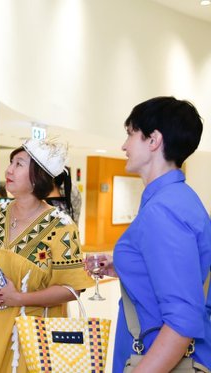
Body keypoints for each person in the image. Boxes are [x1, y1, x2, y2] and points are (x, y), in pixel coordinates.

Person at [84, 96, 211, 372]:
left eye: (130, 134)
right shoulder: (175, 198)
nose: (124, 145)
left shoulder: (163, 210)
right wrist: (125, 267)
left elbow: (182, 321)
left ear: (153, 141)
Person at [0, 138, 94, 372]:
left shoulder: (61, 226)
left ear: (38, 176)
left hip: (35, 334)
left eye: (19, 164)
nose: (8, 170)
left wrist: (19, 299)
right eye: (11, 162)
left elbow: (73, 290)